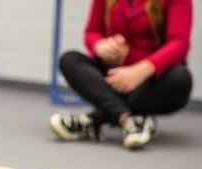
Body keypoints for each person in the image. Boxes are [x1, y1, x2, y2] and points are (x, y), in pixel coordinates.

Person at [50, 0, 193, 149]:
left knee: (179, 77)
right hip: (113, 75)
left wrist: (141, 70)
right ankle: (130, 120)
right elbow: (92, 31)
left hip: (150, 81)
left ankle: (95, 120)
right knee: (69, 60)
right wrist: (100, 46)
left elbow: (179, 43)